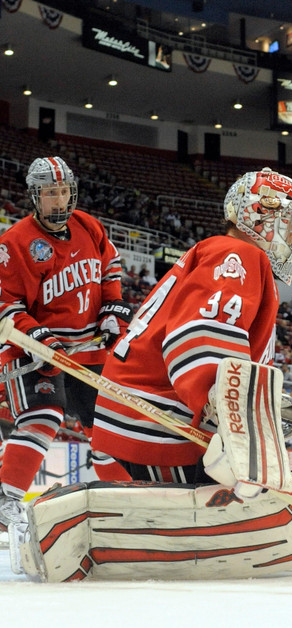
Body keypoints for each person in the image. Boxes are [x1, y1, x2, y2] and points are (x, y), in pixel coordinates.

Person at [9, 168, 292, 581]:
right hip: (156, 433)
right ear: (262, 218)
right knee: (263, 483)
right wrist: (235, 430)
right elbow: (199, 342)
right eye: (290, 228)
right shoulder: (236, 255)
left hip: (137, 428)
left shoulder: (225, 255)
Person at [0, 156, 134, 539]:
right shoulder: (14, 243)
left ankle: (127, 499)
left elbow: (110, 268)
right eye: (50, 194)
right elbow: (6, 304)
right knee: (46, 414)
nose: (59, 201)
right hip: (32, 351)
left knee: (107, 428)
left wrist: (111, 311)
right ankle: (5, 498)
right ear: (34, 197)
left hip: (87, 352)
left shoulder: (88, 226)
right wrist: (37, 337)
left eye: (63, 192)